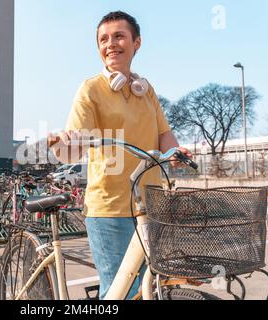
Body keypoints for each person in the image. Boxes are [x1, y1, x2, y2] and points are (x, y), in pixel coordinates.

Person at [48, 11, 193, 300]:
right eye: (103, 39)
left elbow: (164, 134)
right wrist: (63, 143)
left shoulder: (146, 91)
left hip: (151, 202)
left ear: (136, 43)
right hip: (109, 207)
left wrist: (175, 152)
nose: (110, 44)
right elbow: (76, 142)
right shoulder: (91, 89)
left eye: (119, 36)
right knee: (119, 292)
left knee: (151, 288)